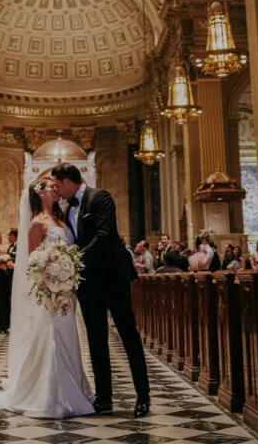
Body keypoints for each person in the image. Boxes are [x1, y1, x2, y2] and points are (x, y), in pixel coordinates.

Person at [0, 178, 94, 418]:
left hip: (67, 289)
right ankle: (51, 396)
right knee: (52, 336)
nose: (55, 188)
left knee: (69, 336)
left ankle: (74, 391)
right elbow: (33, 261)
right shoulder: (36, 223)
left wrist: (68, 272)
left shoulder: (62, 219)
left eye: (56, 186)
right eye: (49, 186)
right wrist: (52, 281)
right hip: (51, 291)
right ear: (40, 193)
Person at [52, 163, 150, 418]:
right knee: (96, 340)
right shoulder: (66, 207)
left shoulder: (100, 197)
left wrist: (75, 259)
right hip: (88, 283)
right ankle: (104, 397)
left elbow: (106, 234)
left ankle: (143, 397)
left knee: (128, 336)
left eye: (58, 185)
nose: (57, 190)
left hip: (112, 279)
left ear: (68, 182)